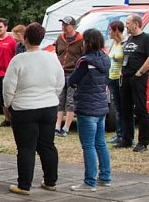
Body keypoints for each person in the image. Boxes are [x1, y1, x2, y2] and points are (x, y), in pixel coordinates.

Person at [3, 22, 64, 195]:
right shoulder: (51, 58)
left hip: (24, 108)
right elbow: (60, 82)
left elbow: (8, 86)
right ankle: (50, 180)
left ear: (25, 38)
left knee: (25, 147)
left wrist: (9, 104)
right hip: (49, 106)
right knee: (47, 145)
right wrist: (52, 95)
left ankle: (24, 184)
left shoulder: (19, 60)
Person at [67, 28, 111, 191]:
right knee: (100, 143)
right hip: (101, 106)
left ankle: (89, 181)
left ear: (87, 42)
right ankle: (105, 176)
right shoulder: (106, 58)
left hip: (87, 106)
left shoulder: (85, 61)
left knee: (88, 145)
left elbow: (73, 80)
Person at [116, 14, 149, 152]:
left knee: (140, 109)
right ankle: (127, 139)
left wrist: (139, 73)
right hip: (125, 77)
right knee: (125, 108)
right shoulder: (129, 39)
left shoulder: (146, 39)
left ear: (136, 23)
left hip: (138, 78)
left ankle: (143, 142)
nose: (126, 26)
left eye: (128, 23)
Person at [53, 16, 83, 136]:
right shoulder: (60, 38)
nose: (64, 27)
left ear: (73, 26)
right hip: (61, 71)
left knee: (70, 100)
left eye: (66, 25)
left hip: (73, 72)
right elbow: (57, 52)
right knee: (60, 99)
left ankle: (66, 127)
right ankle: (57, 125)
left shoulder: (81, 39)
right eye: (63, 25)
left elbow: (83, 55)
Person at [107, 21, 125, 145]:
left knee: (123, 107)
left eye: (110, 30)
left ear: (116, 30)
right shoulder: (114, 44)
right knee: (117, 107)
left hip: (120, 78)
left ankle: (125, 134)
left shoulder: (124, 44)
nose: (109, 32)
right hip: (111, 77)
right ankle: (119, 133)